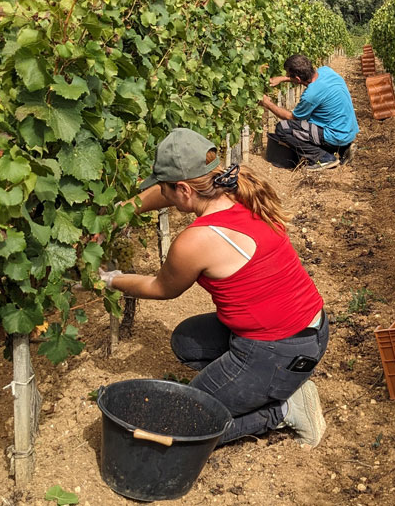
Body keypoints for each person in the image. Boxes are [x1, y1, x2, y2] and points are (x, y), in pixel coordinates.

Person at [101, 127, 329, 447]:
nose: (162, 196)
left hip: (280, 348)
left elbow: (160, 287)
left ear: (183, 189)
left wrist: (110, 280)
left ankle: (283, 410)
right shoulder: (236, 188)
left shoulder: (198, 240)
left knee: (182, 424)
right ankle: (271, 383)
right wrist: (118, 215)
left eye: (166, 190)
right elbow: (162, 193)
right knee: (187, 342)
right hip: (308, 329)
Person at [260, 54, 358, 171]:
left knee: (283, 128)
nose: (286, 76)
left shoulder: (311, 95)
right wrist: (283, 79)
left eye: (288, 74)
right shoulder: (326, 71)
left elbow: (291, 117)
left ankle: (324, 158)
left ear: (298, 79)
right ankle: (344, 148)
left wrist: (268, 104)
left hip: (334, 135)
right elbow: (303, 79)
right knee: (315, 124)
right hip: (348, 131)